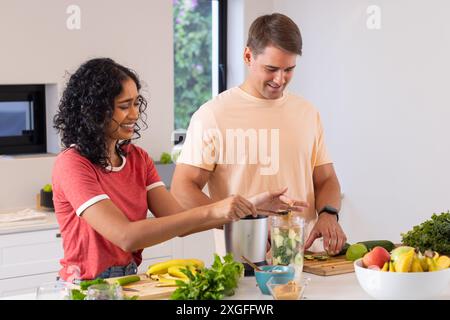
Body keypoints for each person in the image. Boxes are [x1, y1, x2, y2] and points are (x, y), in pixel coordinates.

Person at [51, 58, 306, 281]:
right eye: (124, 105)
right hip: (84, 287)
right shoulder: (73, 164)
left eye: (137, 103)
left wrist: (247, 207)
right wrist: (219, 207)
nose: (135, 113)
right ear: (95, 111)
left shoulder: (138, 159)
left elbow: (180, 222)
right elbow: (125, 236)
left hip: (129, 282)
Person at [171, 13, 347, 255]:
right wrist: (242, 222)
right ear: (247, 56)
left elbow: (326, 179)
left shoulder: (307, 113)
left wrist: (329, 213)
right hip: (242, 260)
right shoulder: (213, 115)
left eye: (289, 70)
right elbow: (182, 189)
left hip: (304, 259)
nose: (280, 79)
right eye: (271, 69)